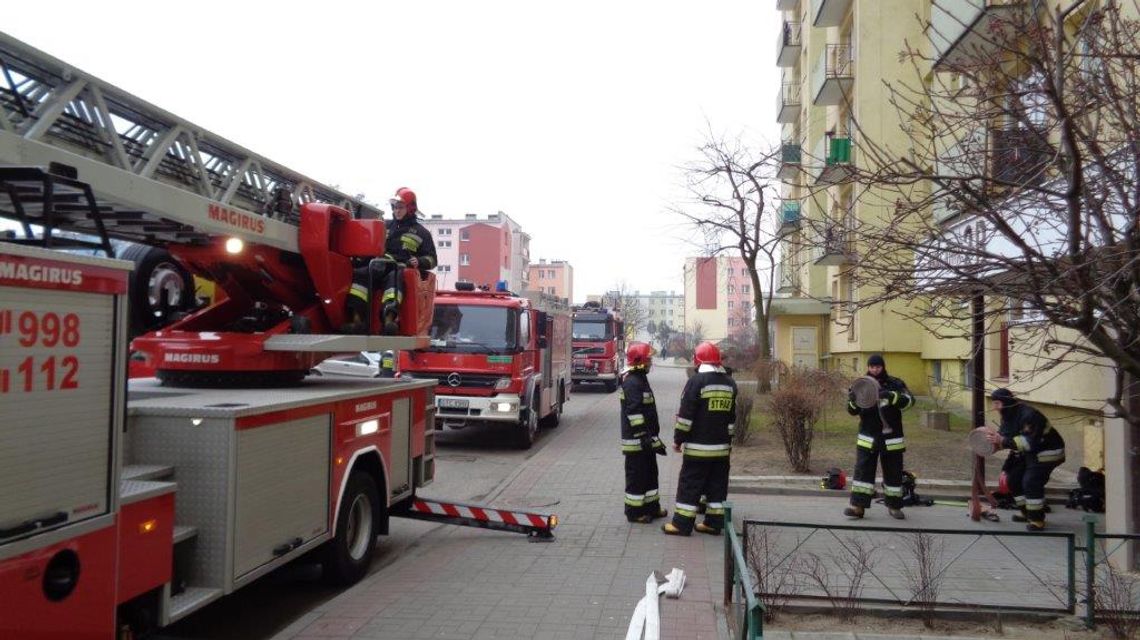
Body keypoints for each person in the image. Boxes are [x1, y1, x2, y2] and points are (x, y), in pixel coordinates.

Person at [663, 341, 736, 536]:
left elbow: (686, 417)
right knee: (717, 486)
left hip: (698, 449)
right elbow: (731, 419)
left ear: (698, 360)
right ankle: (713, 523)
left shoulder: (696, 382)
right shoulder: (730, 383)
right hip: (721, 449)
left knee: (690, 484)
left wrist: (678, 440)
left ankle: (681, 524)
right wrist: (728, 442)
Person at [346, 187, 437, 335]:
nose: (397, 211)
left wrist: (419, 261)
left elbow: (432, 259)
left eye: (400, 207)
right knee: (360, 275)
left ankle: (389, 320)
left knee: (394, 280)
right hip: (377, 264)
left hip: (398, 268)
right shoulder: (384, 226)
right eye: (395, 207)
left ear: (410, 208)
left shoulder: (422, 233)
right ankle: (356, 321)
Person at [844, 354, 914, 520]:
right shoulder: (860, 385)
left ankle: (894, 506)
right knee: (862, 473)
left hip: (892, 438)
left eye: (878, 366)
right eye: (872, 366)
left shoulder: (895, 383)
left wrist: (891, 396)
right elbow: (852, 410)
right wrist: (853, 400)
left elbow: (910, 401)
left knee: (893, 473)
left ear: (883, 367)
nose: (875, 369)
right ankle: (858, 506)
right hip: (868, 437)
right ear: (868, 367)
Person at [985, 388, 1066, 531]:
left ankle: (1037, 520)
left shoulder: (1029, 416)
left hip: (1047, 452)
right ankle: (1027, 513)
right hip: (1030, 452)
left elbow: (1028, 442)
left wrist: (1003, 440)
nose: (994, 407)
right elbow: (1007, 439)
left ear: (1006, 403)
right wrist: (995, 446)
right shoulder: (1008, 416)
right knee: (1013, 479)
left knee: (1031, 481)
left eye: (997, 403)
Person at [620, 342, 667, 523]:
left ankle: (652, 508)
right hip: (637, 442)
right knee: (637, 477)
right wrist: (644, 436)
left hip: (646, 440)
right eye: (649, 358)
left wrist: (652, 439)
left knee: (650, 474)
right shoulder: (632, 382)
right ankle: (634, 512)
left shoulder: (640, 379)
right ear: (640, 360)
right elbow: (634, 414)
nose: (651, 361)